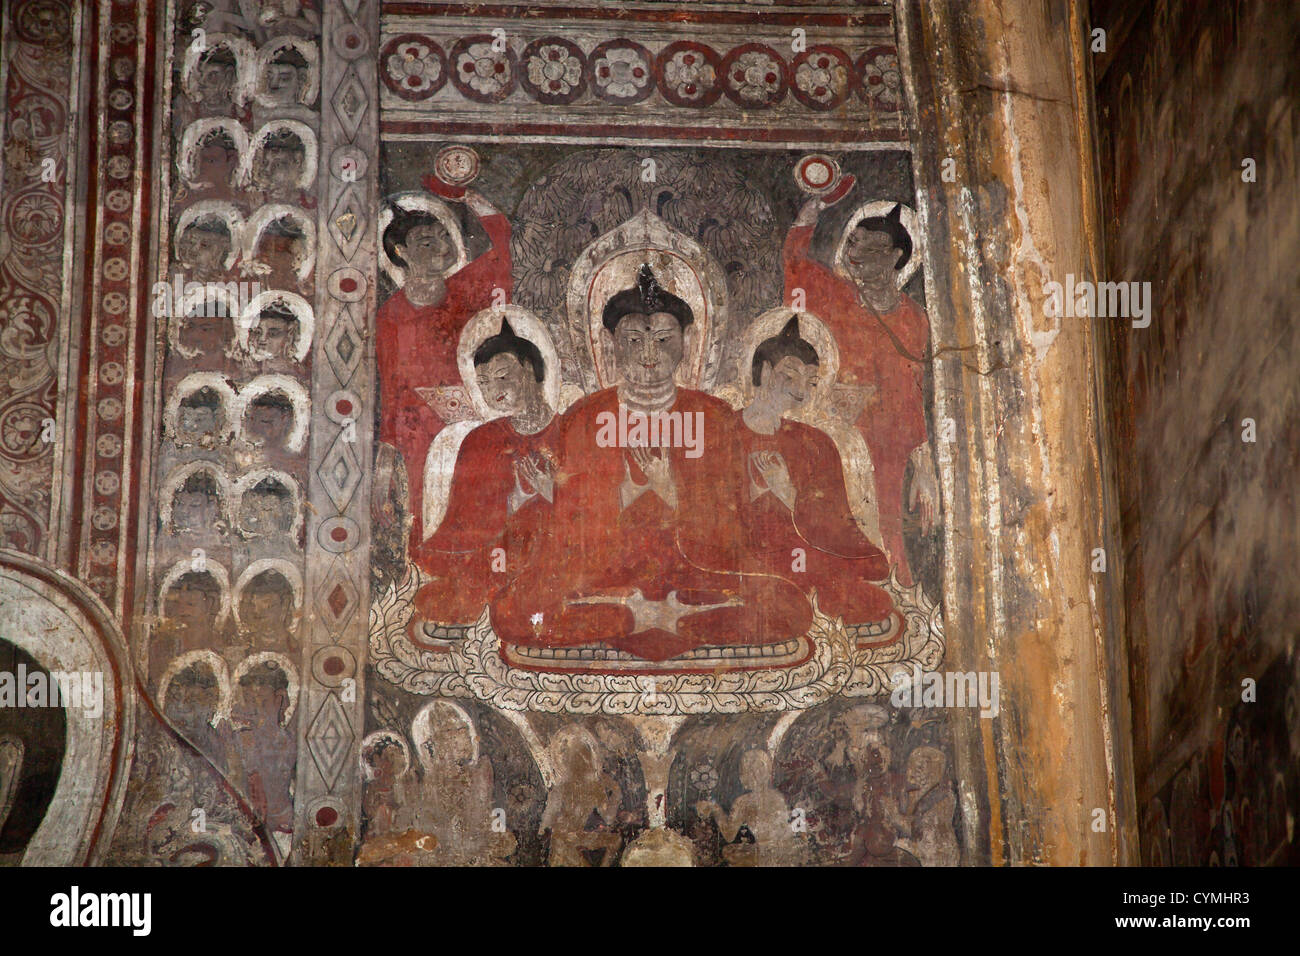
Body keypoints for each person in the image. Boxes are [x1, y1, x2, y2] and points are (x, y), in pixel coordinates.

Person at [489, 265, 811, 662]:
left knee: (790, 607)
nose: (649, 354)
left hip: (696, 573)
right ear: (611, 343)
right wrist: (622, 495)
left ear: (686, 342)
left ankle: (641, 617)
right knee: (512, 613)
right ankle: (649, 616)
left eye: (663, 339)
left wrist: (673, 494)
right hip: (605, 572)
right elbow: (571, 531)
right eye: (633, 339)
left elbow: (733, 522)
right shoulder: (584, 417)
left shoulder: (714, 416)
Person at [784, 195, 936, 585]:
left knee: (884, 528)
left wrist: (923, 465)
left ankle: (891, 597)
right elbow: (795, 264)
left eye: (874, 247)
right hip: (832, 430)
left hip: (886, 441)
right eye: (855, 241)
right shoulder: (833, 293)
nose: (859, 252)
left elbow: (910, 393)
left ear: (896, 257)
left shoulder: (914, 319)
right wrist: (811, 211)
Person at [376, 187, 513, 543]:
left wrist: (465, 193)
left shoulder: (467, 288)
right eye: (425, 242)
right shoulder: (390, 317)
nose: (441, 247)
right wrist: (385, 462)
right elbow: (392, 392)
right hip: (417, 430)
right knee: (428, 520)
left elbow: (503, 239)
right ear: (401, 253)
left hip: (471, 419)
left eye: (443, 236)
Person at [738, 316, 893, 624]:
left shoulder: (816, 442)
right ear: (766, 372)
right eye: (790, 375)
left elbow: (838, 528)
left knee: (875, 603)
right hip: (744, 567)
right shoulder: (723, 431)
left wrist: (788, 493)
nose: (800, 391)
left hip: (808, 567)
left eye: (810, 382)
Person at [411, 318, 560, 627]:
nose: (494, 390)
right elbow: (460, 529)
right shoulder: (480, 442)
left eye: (503, 376)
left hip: (559, 563)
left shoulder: (570, 432)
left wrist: (553, 495)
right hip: (494, 562)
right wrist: (511, 509)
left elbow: (595, 520)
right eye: (484, 383)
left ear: (531, 370)